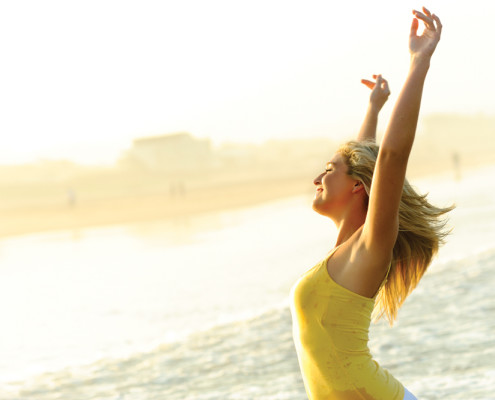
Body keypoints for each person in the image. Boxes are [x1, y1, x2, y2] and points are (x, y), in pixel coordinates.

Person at [290, 7, 452, 400]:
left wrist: (419, 62)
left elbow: (390, 157)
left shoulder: (371, 246)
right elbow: (363, 162)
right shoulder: (346, 252)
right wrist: (373, 109)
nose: (317, 179)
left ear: (359, 187)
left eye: (328, 170)